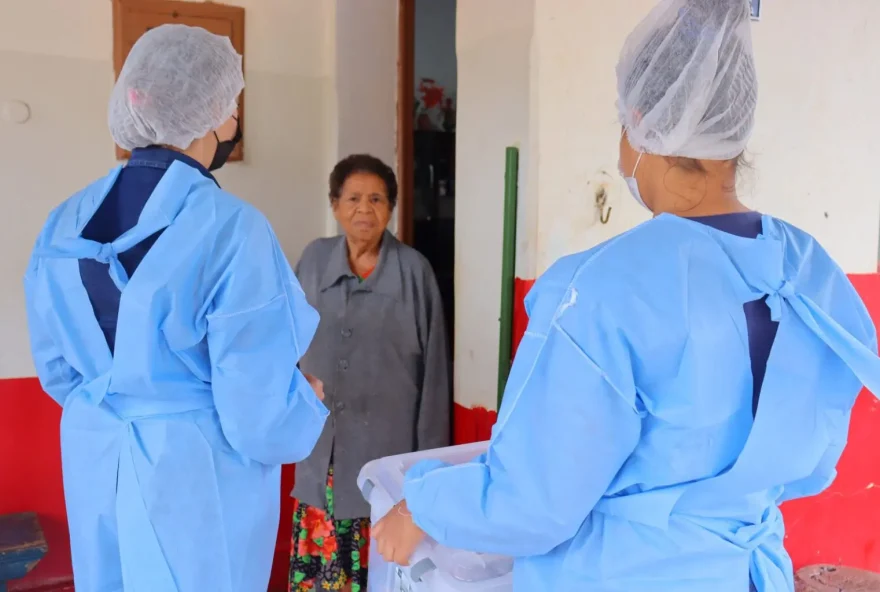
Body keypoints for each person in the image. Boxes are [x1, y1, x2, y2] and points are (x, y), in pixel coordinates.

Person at [372, 1, 880, 591]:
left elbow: (535, 500)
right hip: (744, 572)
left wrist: (420, 505)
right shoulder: (808, 267)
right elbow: (815, 464)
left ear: (641, 121)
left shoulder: (602, 287)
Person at [23, 25, 329, 592]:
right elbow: (257, 414)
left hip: (97, 454)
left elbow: (58, 369)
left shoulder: (63, 220)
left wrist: (125, 397)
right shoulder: (232, 229)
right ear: (212, 115)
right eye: (232, 106)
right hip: (193, 475)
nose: (234, 121)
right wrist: (302, 402)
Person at [289, 154, 451, 592]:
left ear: (391, 208)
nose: (365, 209)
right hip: (322, 461)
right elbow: (284, 346)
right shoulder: (313, 261)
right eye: (354, 198)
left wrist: (427, 473)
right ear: (335, 205)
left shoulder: (414, 271)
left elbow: (434, 375)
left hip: (390, 466)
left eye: (377, 198)